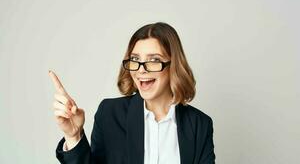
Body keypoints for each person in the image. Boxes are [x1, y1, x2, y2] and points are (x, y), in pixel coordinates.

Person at [49, 22, 216, 164]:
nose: (141, 70)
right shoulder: (110, 113)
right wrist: (73, 136)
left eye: (154, 60)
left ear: (174, 65)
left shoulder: (200, 125)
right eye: (135, 59)